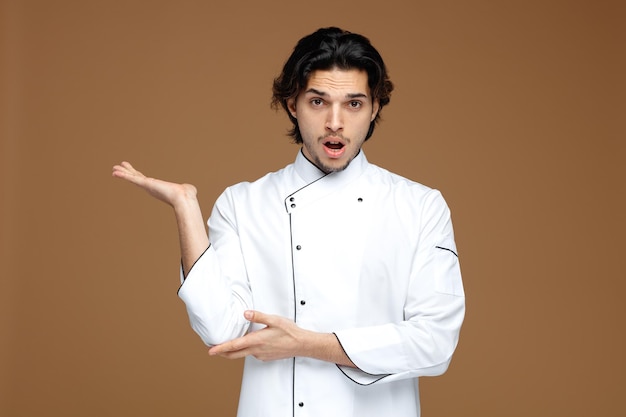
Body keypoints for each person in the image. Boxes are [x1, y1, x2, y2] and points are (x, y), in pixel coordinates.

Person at [113, 27, 465, 417]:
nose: (335, 122)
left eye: (353, 104)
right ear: (293, 104)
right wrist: (185, 207)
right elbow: (219, 329)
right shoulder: (243, 203)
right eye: (318, 101)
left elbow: (435, 341)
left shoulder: (419, 206)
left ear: (375, 108)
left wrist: (305, 343)